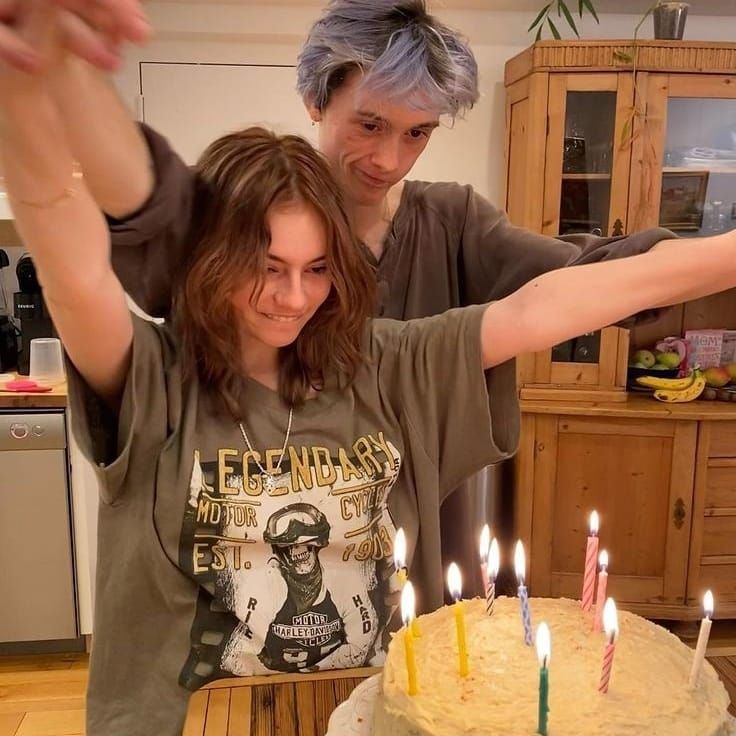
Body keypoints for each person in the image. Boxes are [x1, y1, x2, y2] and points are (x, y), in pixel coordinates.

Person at [4, 8, 736, 736]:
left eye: (317, 269)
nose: (293, 297)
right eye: (266, 267)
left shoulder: (390, 359)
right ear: (212, 257)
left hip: (370, 709)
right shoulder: (155, 379)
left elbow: (551, 301)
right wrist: (31, 85)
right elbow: (77, 252)